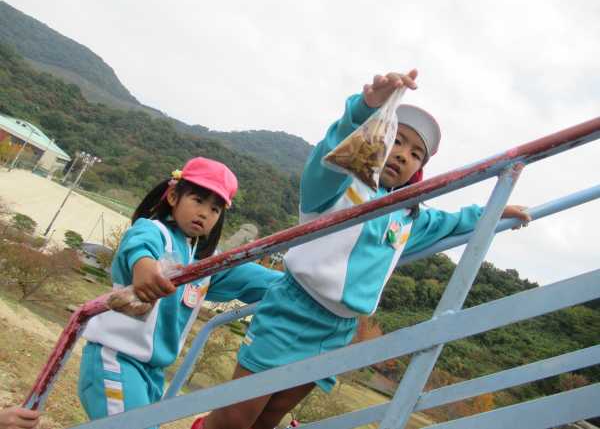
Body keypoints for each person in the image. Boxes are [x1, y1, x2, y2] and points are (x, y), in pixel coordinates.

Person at [192, 70, 531, 429]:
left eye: (416, 153)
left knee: (269, 418)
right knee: (235, 418)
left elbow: (447, 222)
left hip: (338, 329)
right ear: (377, 139)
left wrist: (492, 212)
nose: (403, 155)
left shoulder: (406, 216)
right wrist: (364, 109)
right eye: (397, 140)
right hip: (293, 310)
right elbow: (328, 156)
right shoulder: (340, 185)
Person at [78, 157, 283, 423]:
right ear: (174, 196)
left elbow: (252, 279)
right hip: (116, 359)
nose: (204, 213)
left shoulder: (203, 263)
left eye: (215, 209)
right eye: (198, 200)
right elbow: (138, 244)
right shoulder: (155, 231)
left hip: (152, 372)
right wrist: (144, 265)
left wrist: (301, 287)